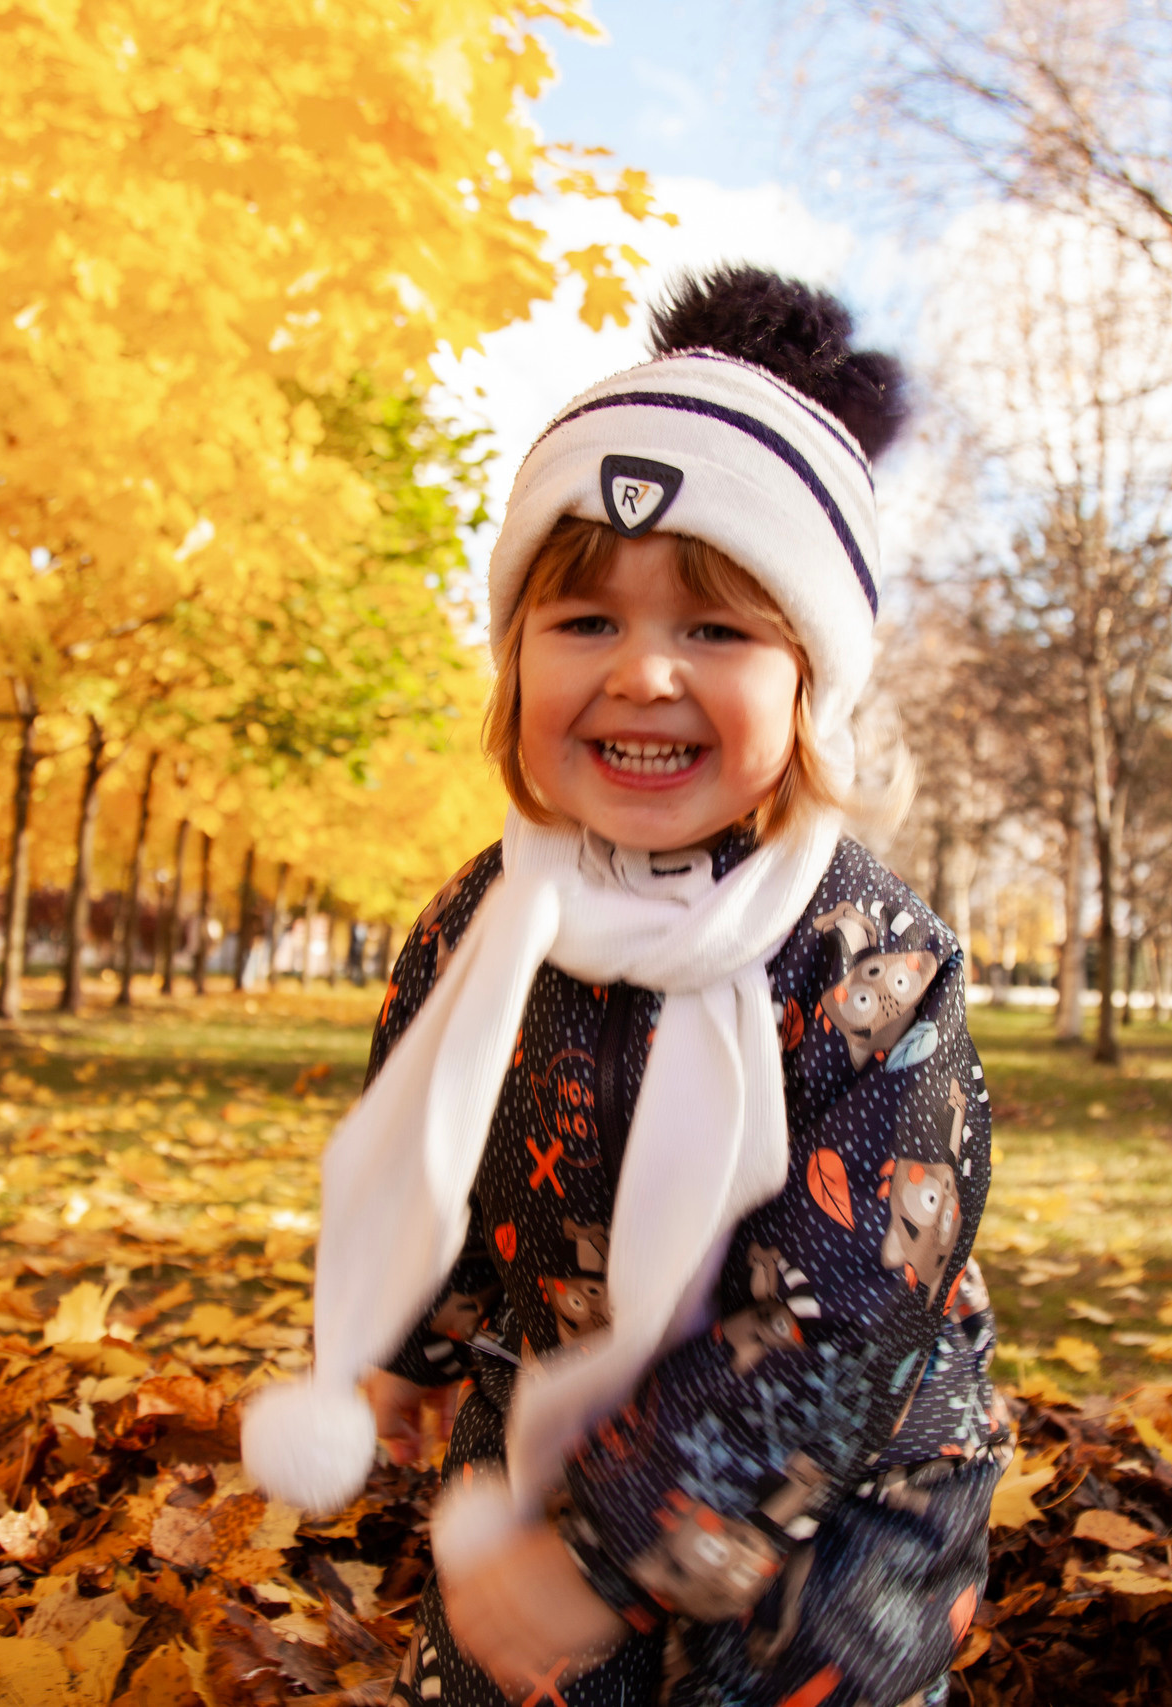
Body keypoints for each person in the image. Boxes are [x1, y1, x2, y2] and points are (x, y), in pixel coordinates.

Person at [244, 266, 1004, 1707]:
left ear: (811, 683)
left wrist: (611, 1548)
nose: (644, 673)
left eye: (715, 632)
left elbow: (850, 1314)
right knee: (500, 1676)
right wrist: (405, 1343)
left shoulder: (873, 962)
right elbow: (433, 1144)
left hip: (838, 1483)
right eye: (584, 623)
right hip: (547, 1410)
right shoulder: (490, 915)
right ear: (514, 656)